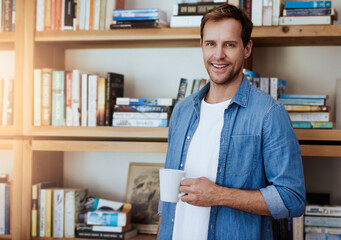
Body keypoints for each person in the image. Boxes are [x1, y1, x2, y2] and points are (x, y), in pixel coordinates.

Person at [157, 3, 305, 240]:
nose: (218, 55)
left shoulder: (269, 114)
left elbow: (292, 199)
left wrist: (218, 196)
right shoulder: (182, 111)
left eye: (229, 45)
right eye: (211, 44)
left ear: (247, 49)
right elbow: (167, 205)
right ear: (202, 46)